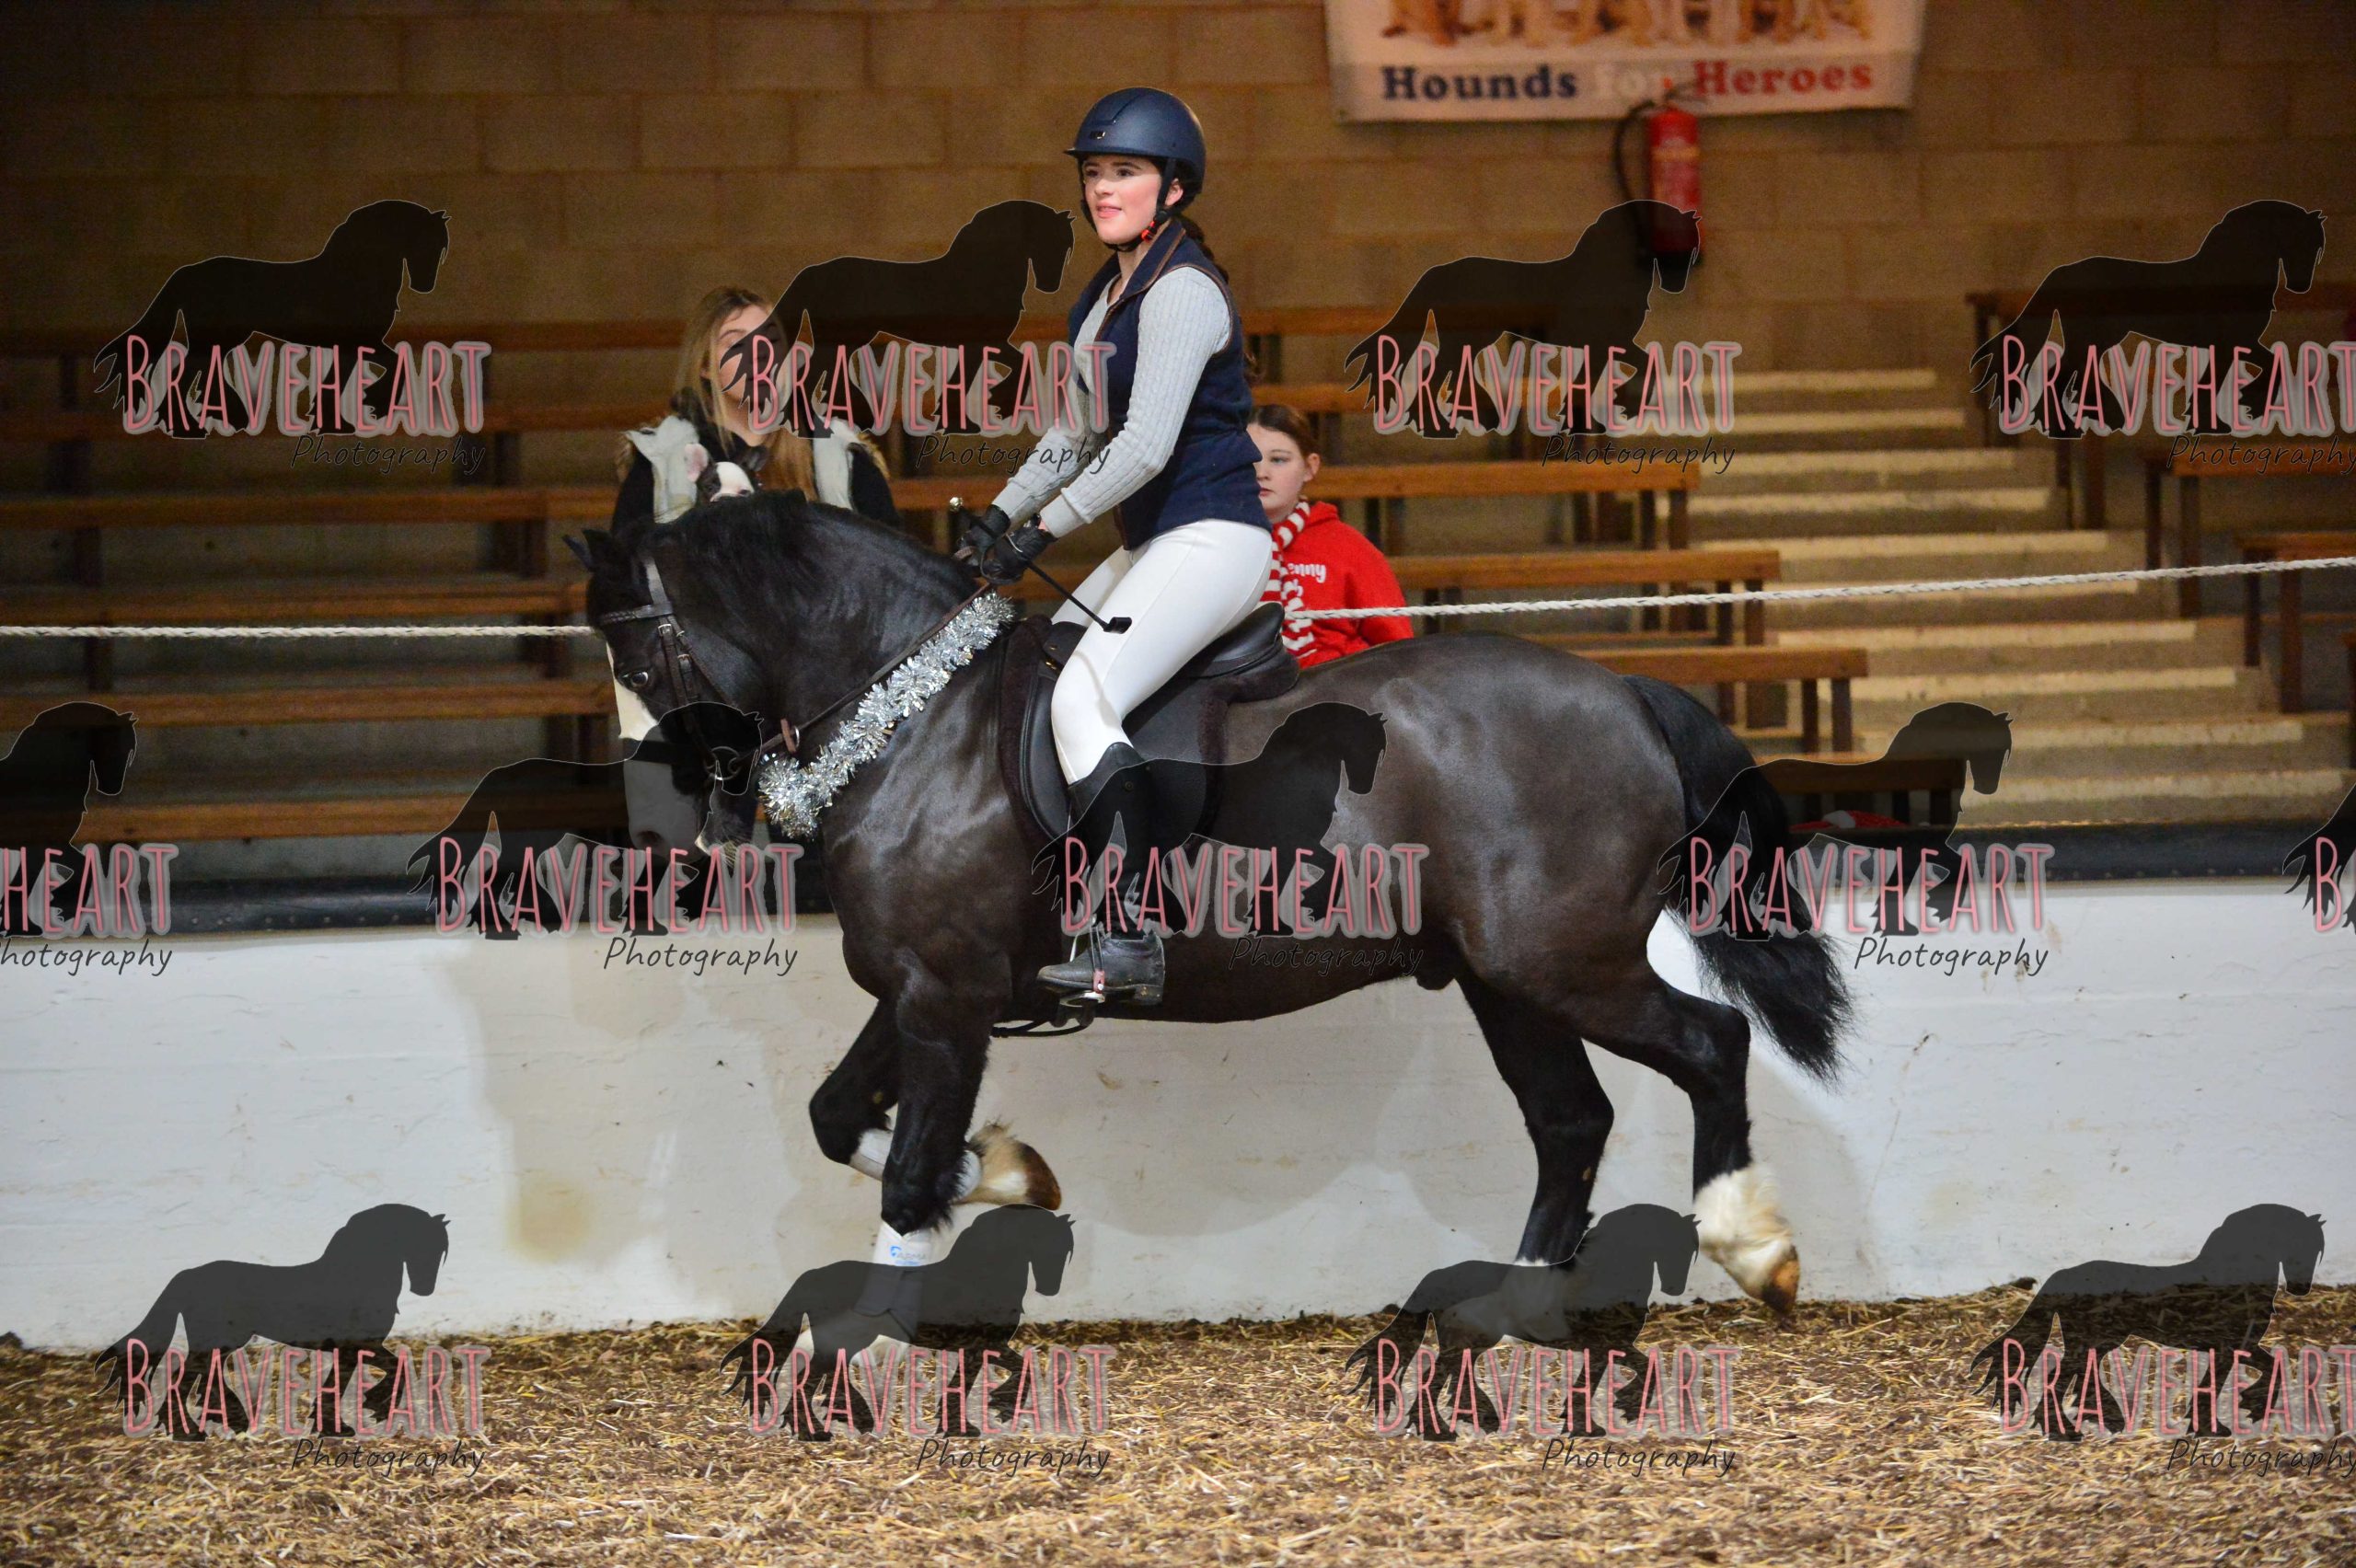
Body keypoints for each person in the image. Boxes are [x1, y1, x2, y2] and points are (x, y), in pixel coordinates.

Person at [959, 87, 1274, 1009]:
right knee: (1043, 675)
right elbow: (1072, 434)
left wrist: (1042, 531)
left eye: (1124, 172)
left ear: (1172, 189)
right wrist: (999, 514)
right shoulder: (1103, 298)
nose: (1102, 188)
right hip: (1158, 541)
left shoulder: (1182, 292)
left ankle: (1129, 934)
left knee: (1083, 699)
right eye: (1094, 172)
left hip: (1212, 536)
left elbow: (1141, 449)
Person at [610, 284, 897, 533]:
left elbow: (893, 566)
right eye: (736, 343)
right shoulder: (663, 456)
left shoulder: (838, 451)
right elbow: (620, 571)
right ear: (705, 365)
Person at [1247, 404, 1415, 668]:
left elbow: (1399, 649)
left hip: (1337, 684)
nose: (1261, 473)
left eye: (1278, 460)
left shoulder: (1349, 547)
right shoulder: (1212, 543)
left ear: (1310, 467)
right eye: (1248, 461)